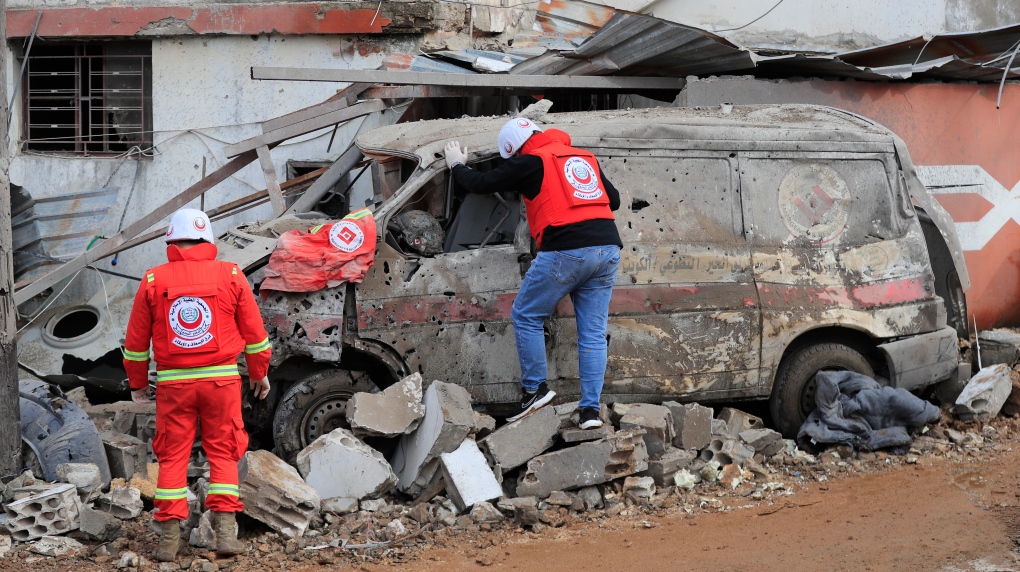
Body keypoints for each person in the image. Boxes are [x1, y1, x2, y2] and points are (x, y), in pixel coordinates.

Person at [444, 117, 622, 430]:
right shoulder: (584, 157)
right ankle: (591, 412)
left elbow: (480, 184)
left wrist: (457, 165)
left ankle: (534, 390)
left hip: (566, 249)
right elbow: (614, 200)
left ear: (514, 151)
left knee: (526, 314)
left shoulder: (529, 161)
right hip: (607, 248)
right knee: (593, 334)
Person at [122, 208, 272, 562]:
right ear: (209, 239)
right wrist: (258, 371)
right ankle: (225, 535)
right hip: (221, 382)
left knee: (172, 456)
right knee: (223, 451)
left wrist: (138, 384)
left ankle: (169, 542)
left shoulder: (153, 280)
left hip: (175, 387)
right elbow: (255, 334)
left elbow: (135, 342)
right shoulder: (230, 274)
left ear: (170, 240)